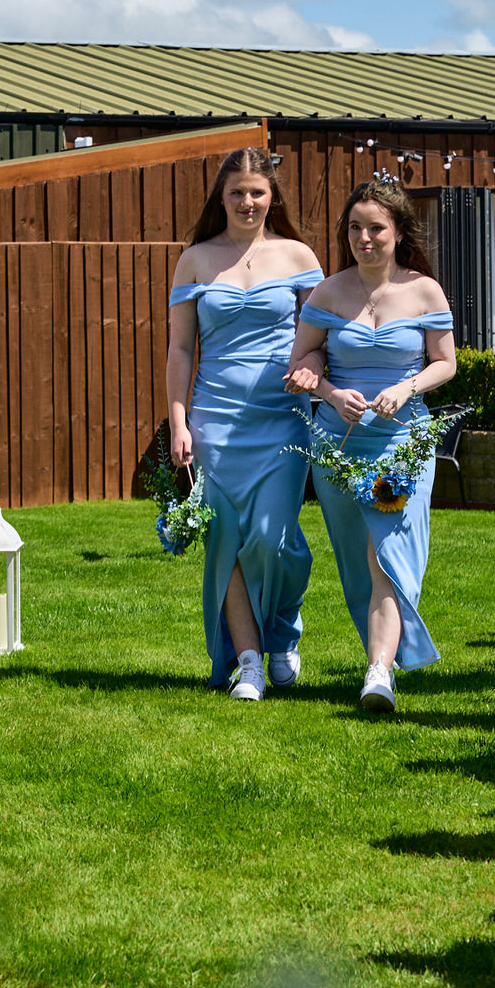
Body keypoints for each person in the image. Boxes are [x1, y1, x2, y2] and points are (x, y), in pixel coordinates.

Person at [286, 181, 456, 713]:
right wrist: (333, 394)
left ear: (398, 232)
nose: (364, 237)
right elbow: (301, 364)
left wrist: (406, 388)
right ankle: (380, 655)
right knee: (357, 561)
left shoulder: (425, 291)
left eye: (376, 227)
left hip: (404, 440)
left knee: (387, 553)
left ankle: (378, 672)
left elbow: (446, 362)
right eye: (355, 227)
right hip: (338, 441)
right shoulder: (328, 293)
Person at [164, 149, 323, 699]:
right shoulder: (196, 260)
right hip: (215, 419)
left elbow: (319, 339)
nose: (248, 202)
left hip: (281, 418)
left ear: (272, 195)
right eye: (237, 192)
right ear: (221, 197)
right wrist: (178, 421)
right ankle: (250, 660)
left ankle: (283, 633)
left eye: (257, 192)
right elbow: (181, 348)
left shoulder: (299, 255)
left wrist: (313, 371)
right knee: (227, 542)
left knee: (274, 540)